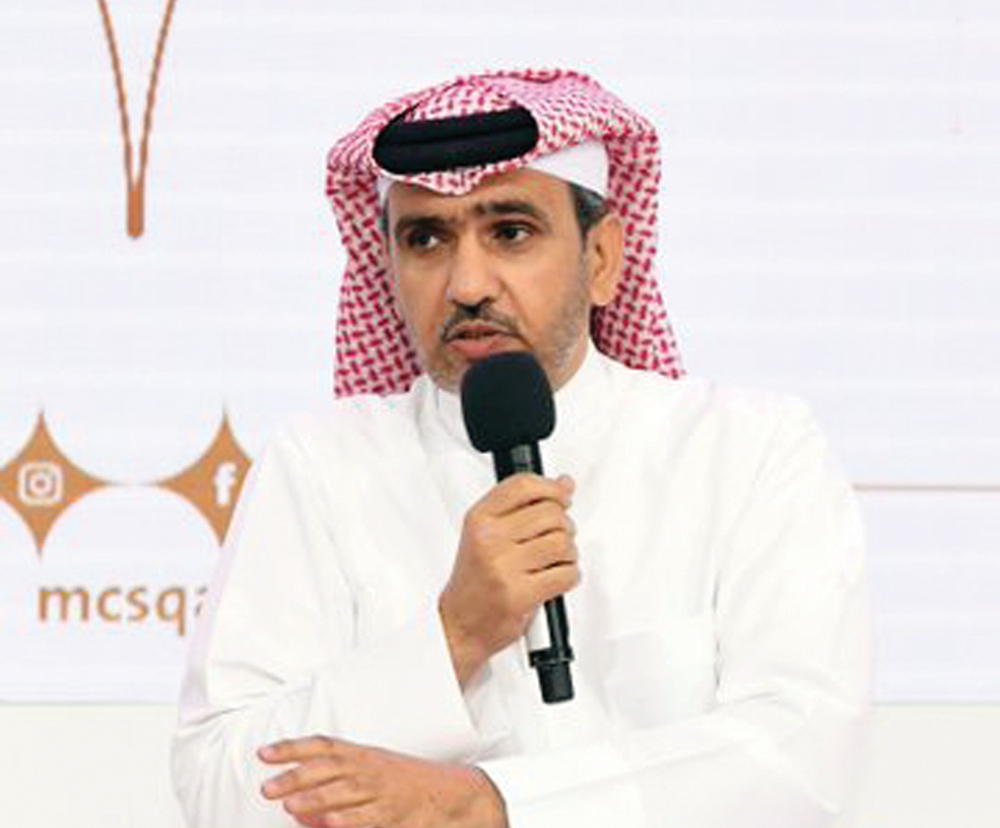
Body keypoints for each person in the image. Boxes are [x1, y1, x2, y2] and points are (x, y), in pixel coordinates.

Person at [173, 68, 871, 828]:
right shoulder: (322, 464)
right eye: (427, 238)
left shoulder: (749, 451)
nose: (468, 283)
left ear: (602, 259)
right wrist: (455, 635)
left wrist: (491, 806)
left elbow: (794, 764)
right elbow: (223, 790)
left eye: (510, 232)